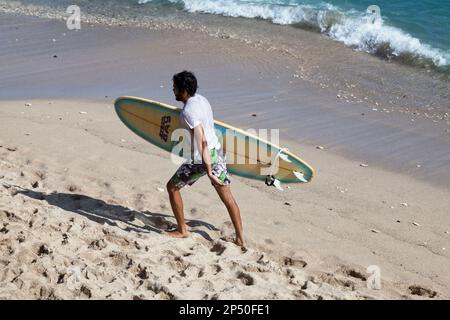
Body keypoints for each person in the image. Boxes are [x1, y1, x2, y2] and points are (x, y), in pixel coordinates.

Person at [166, 71, 244, 246]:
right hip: (217, 152)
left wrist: (208, 171)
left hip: (202, 159)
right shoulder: (202, 99)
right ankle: (240, 238)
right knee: (228, 198)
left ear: (184, 90)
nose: (173, 89)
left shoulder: (188, 112)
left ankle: (182, 230)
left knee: (172, 188)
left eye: (175, 87)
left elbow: (202, 141)